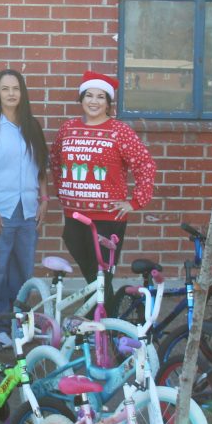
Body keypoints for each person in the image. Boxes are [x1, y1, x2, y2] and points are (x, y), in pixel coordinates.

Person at [50, 70, 156, 315]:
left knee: (102, 277)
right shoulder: (67, 129)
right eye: (89, 95)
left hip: (108, 219)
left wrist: (136, 201)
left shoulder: (120, 131)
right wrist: (64, 192)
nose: (94, 101)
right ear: (81, 99)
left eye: (100, 97)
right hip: (75, 216)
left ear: (108, 103)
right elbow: (55, 161)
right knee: (90, 274)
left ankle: (105, 329)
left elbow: (145, 164)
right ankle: (99, 324)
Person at [0, 69, 49, 346]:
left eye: (16, 88)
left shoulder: (32, 127)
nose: (11, 93)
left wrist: (44, 200)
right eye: (5, 89)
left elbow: (40, 169)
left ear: (22, 92)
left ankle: (17, 325)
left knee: (22, 272)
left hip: (26, 212)